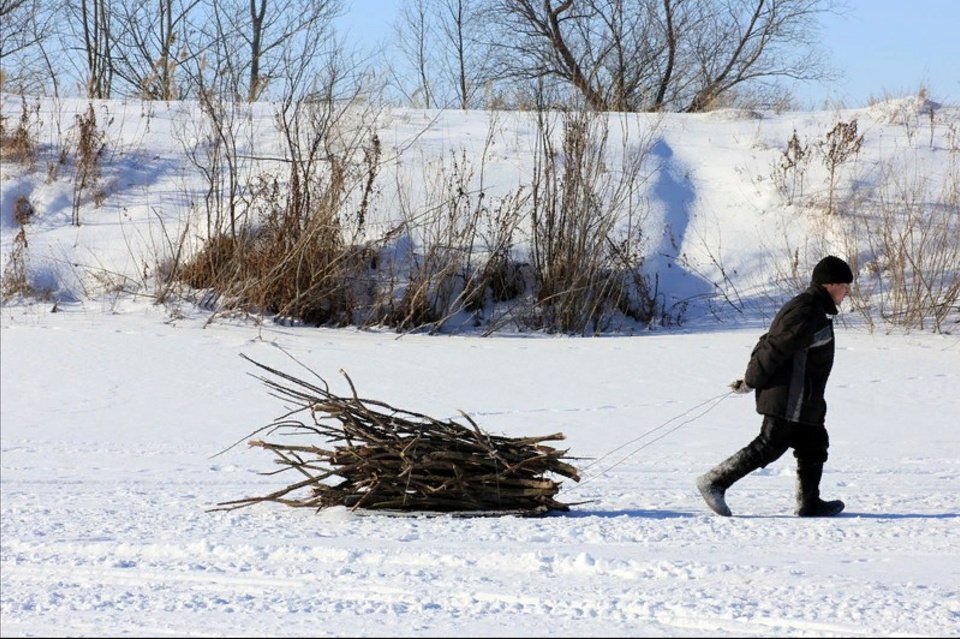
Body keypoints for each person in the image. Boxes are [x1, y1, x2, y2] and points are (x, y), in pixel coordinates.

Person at [697, 255, 854, 518]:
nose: (848, 291)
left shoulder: (815, 310)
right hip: (790, 395)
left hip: (806, 398)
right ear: (830, 284)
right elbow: (773, 346)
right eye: (845, 285)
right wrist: (750, 380)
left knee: (814, 443)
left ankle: (809, 502)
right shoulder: (807, 310)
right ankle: (714, 482)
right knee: (770, 444)